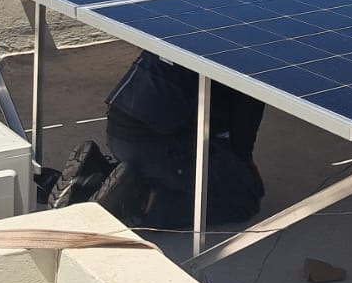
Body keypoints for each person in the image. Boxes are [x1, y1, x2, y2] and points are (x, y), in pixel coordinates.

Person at [68, 51, 266, 228]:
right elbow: (239, 130)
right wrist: (242, 164)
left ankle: (96, 175)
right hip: (153, 144)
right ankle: (137, 202)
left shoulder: (184, 30)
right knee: (246, 198)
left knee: (210, 165)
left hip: (118, 128)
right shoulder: (252, 65)